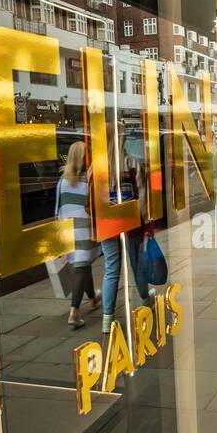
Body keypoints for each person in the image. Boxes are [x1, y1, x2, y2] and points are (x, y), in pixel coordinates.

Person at [98, 135, 153, 334]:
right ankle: (145, 302)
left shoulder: (97, 167)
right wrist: (146, 222)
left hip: (107, 224)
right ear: (120, 141)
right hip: (131, 223)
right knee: (137, 264)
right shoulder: (132, 163)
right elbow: (142, 196)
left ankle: (107, 317)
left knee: (111, 269)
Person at [57, 140, 99, 329]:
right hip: (85, 229)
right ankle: (74, 312)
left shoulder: (62, 181)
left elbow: (58, 209)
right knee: (81, 268)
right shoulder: (89, 179)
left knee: (83, 264)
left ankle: (93, 298)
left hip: (68, 231)